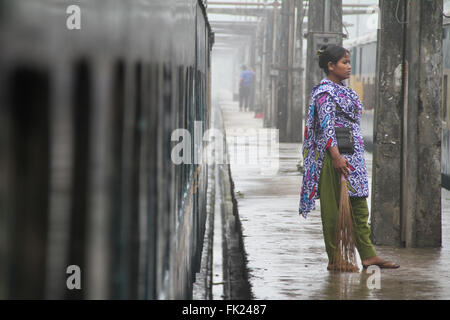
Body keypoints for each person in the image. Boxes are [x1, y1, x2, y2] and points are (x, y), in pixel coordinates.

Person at [298, 44, 399, 271]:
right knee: (333, 211)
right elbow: (326, 126)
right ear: (331, 66)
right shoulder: (324, 93)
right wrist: (335, 156)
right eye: (344, 62)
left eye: (349, 62)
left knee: (360, 207)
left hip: (353, 156)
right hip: (333, 158)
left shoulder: (345, 90)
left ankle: (368, 255)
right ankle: (335, 258)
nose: (349, 66)